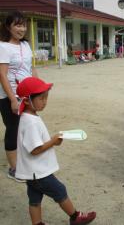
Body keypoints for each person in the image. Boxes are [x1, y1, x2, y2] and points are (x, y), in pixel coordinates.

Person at [16, 77, 96, 225]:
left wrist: (53, 141)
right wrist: (53, 141)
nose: (45, 101)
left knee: (34, 200)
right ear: (27, 101)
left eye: (46, 97)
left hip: (32, 173)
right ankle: (75, 217)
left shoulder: (29, 117)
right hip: (39, 173)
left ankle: (37, 223)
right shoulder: (30, 122)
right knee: (60, 191)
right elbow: (35, 150)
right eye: (41, 98)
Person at [0, 11, 38, 182]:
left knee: (28, 128)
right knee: (13, 130)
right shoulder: (3, 47)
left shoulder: (26, 45)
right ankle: (14, 168)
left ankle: (25, 162)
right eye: (17, 25)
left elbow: (32, 68)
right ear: (9, 27)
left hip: (26, 95)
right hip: (9, 96)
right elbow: (2, 74)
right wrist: (13, 99)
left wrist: (38, 90)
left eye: (23, 25)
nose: (21, 29)